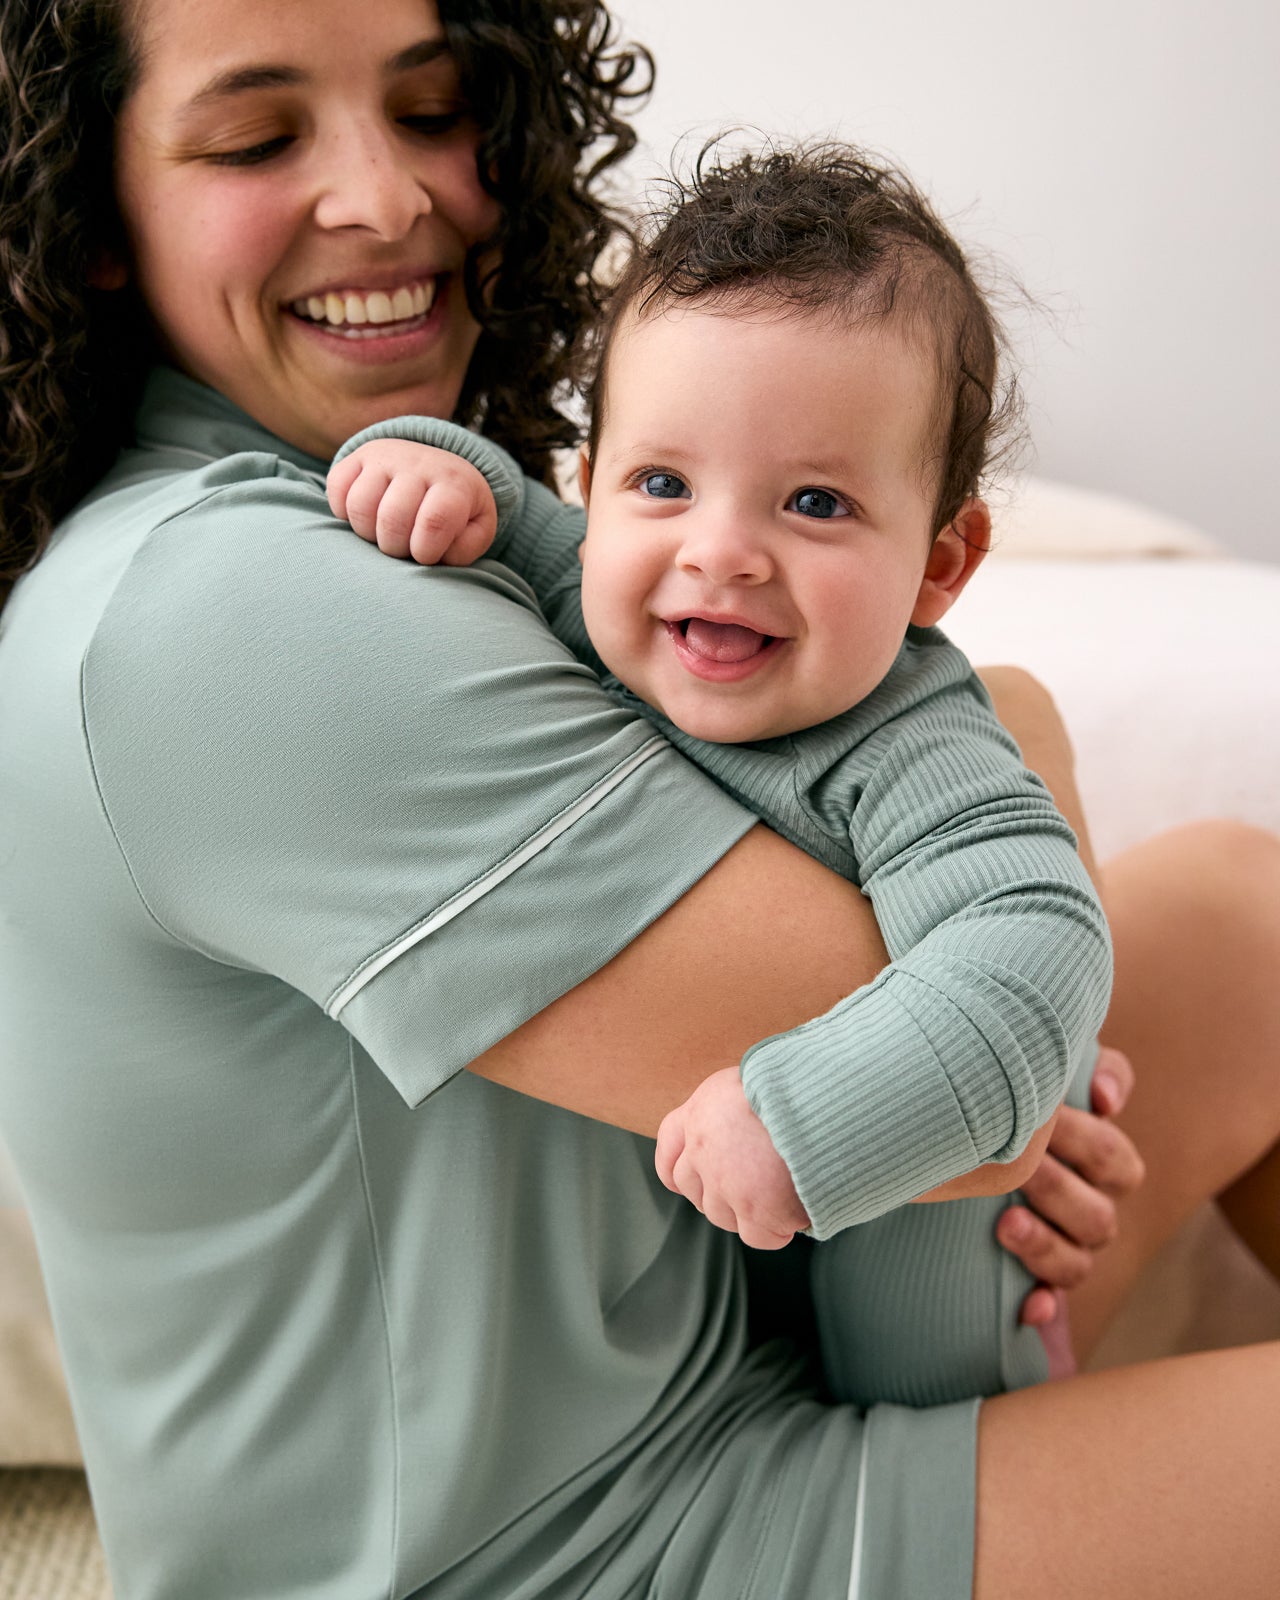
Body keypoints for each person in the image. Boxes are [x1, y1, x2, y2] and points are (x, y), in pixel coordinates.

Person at [0, 2, 1277, 1598]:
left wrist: (1036, 1085)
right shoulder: (225, 614)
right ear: (94, 222)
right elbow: (960, 1063)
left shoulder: (336, 521)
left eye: (435, 108)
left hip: (744, 1356)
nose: (387, 200)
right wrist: (1032, 1080)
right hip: (574, 1544)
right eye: (259, 138)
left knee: (1245, 912)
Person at [325, 141, 1117, 1404]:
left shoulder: (909, 742)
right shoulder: (599, 592)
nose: (719, 552)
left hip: (937, 1326)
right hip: (701, 1314)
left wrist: (802, 1115)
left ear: (939, 564)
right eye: (662, 481)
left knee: (930, 1346)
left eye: (811, 503)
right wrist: (433, 464)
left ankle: (1034, 1405)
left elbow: (1035, 942)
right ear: (592, 489)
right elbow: (514, 515)